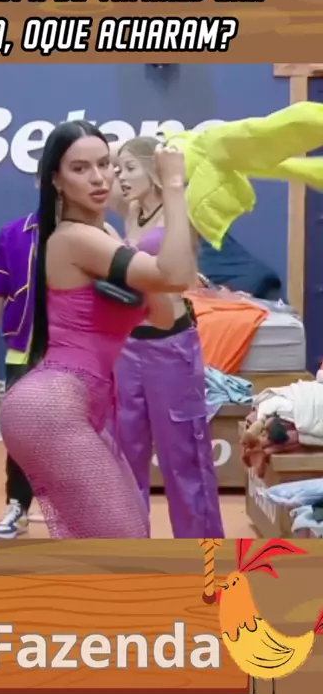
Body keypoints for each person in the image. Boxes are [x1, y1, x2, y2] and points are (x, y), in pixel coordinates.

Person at [0, 119, 196, 539]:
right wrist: (173, 186)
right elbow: (178, 274)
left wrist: (143, 258)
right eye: (80, 168)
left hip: (74, 403)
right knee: (123, 544)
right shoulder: (73, 239)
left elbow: (164, 317)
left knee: (123, 534)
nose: (99, 177)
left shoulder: (104, 233)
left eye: (105, 164)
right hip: (51, 406)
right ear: (56, 180)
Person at [109, 136, 224, 539]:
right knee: (126, 455)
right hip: (128, 346)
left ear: (153, 170)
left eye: (129, 168)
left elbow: (184, 272)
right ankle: (130, 548)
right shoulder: (132, 210)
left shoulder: (178, 208)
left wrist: (172, 173)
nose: (121, 177)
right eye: (118, 169)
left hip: (171, 348)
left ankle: (201, 555)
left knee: (184, 457)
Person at [0, 212, 37, 539]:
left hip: (77, 349)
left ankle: (81, 511)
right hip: (24, 347)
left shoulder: (95, 232)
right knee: (19, 430)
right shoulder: (14, 233)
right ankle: (18, 505)